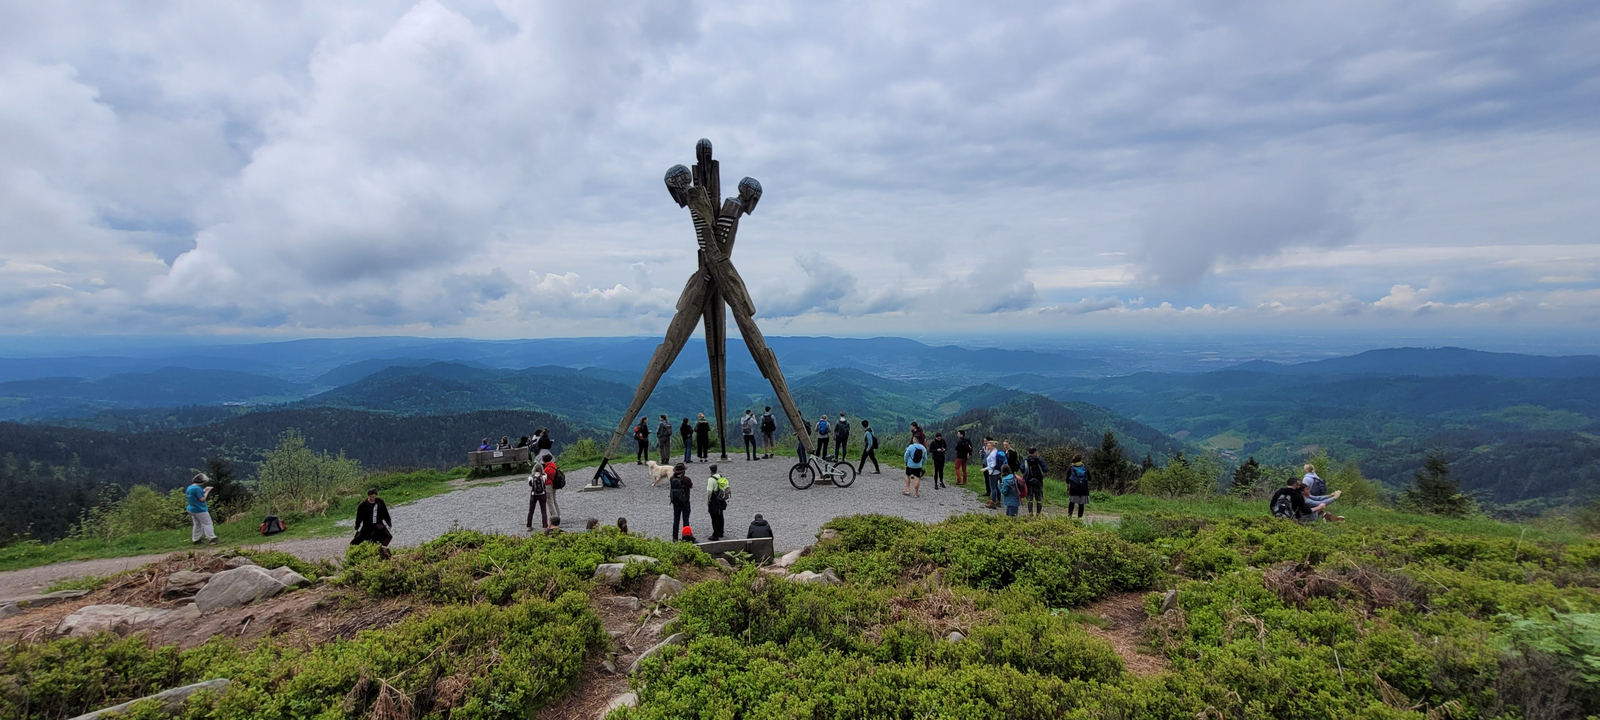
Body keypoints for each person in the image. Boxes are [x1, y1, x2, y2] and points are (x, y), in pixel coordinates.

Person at [352, 488, 393, 558]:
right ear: (368, 496)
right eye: (371, 496)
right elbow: (359, 517)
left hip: (378, 524)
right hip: (367, 526)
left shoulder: (379, 502)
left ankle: (381, 550)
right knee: (360, 540)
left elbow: (385, 513)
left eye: (374, 496)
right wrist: (357, 527)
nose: (372, 498)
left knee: (387, 536)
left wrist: (389, 523)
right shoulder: (363, 504)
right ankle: (363, 553)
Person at [185, 473, 218, 545]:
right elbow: (202, 499)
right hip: (200, 509)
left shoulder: (190, 487)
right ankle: (212, 539)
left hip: (192, 509)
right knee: (207, 523)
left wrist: (203, 490)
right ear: (203, 481)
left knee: (197, 524)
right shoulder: (198, 489)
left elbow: (195, 495)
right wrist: (207, 491)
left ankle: (196, 540)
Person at [705, 464, 730, 541]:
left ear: (710, 470)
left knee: (714, 516)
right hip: (721, 498)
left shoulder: (711, 479)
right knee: (720, 515)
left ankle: (715, 534)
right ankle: (721, 531)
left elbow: (709, 491)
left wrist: (708, 501)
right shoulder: (720, 476)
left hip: (714, 498)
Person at [669, 462, 693, 541]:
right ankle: (686, 537)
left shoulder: (672, 478)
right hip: (685, 502)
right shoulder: (686, 479)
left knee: (676, 519)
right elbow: (691, 486)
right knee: (686, 520)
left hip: (676, 502)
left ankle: (675, 537)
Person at [1024, 448, 1050, 516]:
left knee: (1030, 499)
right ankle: (1038, 515)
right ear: (1035, 452)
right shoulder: (1039, 459)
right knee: (1039, 499)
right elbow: (1045, 469)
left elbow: (1022, 468)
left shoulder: (1026, 460)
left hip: (1029, 481)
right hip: (1038, 481)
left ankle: (1030, 514)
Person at [1065, 452, 1090, 518]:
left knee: (1072, 503)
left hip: (1074, 488)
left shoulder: (1071, 467)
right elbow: (1090, 478)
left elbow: (1067, 479)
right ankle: (1079, 518)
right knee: (1081, 504)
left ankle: (1069, 517)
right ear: (1081, 460)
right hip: (1084, 488)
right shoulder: (1085, 467)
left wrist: (1068, 487)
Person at [526, 463, 550, 531]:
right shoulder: (544, 476)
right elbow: (545, 483)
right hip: (542, 494)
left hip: (534, 494)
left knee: (531, 511)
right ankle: (545, 526)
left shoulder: (531, 477)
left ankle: (529, 526)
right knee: (543, 510)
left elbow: (530, 485)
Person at [984, 440, 1004, 509]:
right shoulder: (995, 451)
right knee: (996, 486)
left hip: (993, 472)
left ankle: (993, 502)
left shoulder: (993, 454)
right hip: (997, 472)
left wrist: (986, 468)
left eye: (988, 445)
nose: (987, 446)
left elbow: (993, 464)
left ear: (992, 446)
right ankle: (998, 500)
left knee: (993, 487)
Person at [541, 453, 561, 520]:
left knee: (550, 502)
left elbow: (542, 477)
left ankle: (554, 516)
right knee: (554, 500)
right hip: (554, 485)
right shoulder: (553, 465)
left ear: (544, 461)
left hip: (548, 485)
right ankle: (558, 514)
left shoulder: (547, 469)